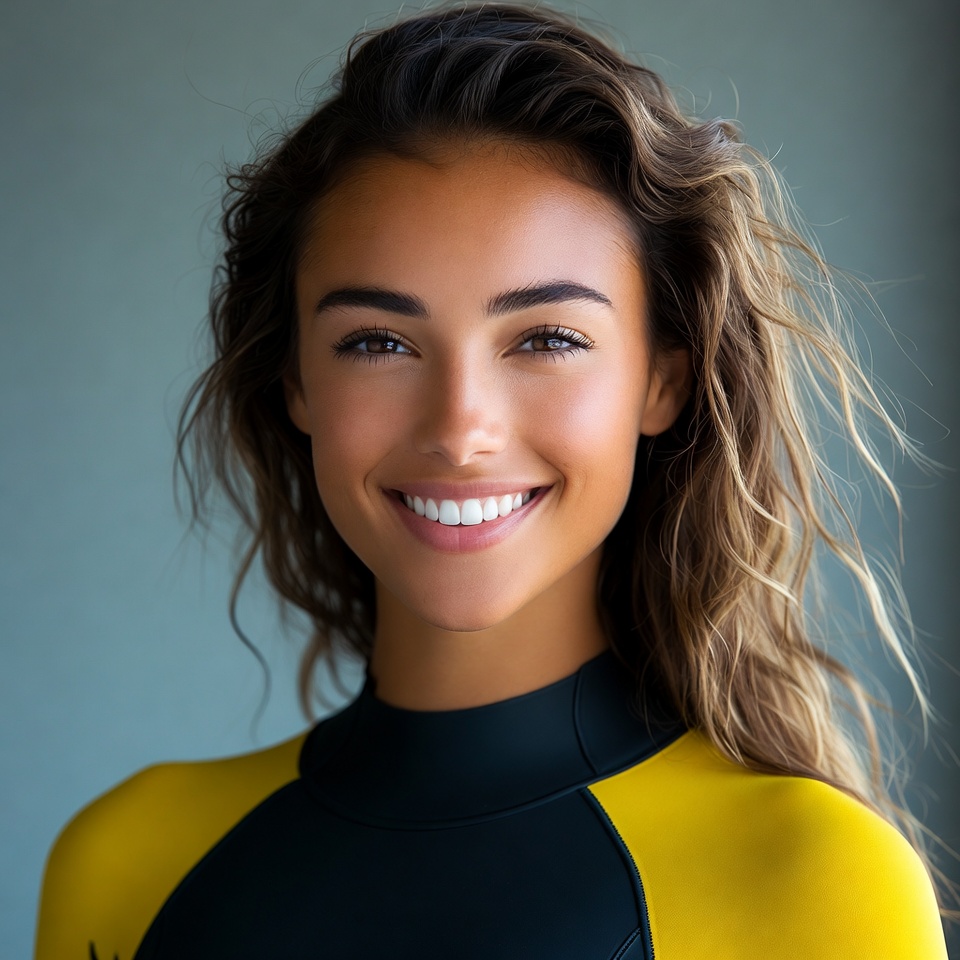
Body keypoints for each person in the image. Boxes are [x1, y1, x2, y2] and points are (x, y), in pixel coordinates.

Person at [35, 3, 951, 958]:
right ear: (297, 383)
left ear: (662, 379)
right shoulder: (125, 863)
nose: (460, 430)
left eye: (547, 338)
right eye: (378, 342)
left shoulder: (812, 879)